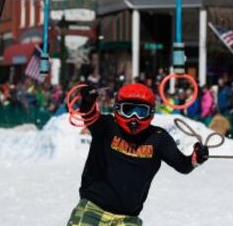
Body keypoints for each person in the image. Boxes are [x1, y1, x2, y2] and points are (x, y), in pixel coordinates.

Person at [66, 83, 209, 226]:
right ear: (117, 109)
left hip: (128, 218)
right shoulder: (107, 126)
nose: (134, 118)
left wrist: (196, 158)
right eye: (128, 110)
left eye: (141, 112)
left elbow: (182, 165)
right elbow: (89, 116)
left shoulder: (158, 138)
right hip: (92, 209)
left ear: (151, 112)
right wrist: (87, 100)